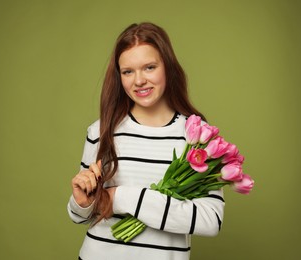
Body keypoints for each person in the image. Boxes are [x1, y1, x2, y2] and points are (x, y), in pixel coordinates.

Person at [67, 22, 224, 260]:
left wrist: (120, 197)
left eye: (149, 67)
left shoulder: (197, 136)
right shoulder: (100, 130)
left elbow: (210, 220)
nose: (139, 81)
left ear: (167, 68)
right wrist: (82, 202)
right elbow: (82, 215)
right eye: (128, 71)